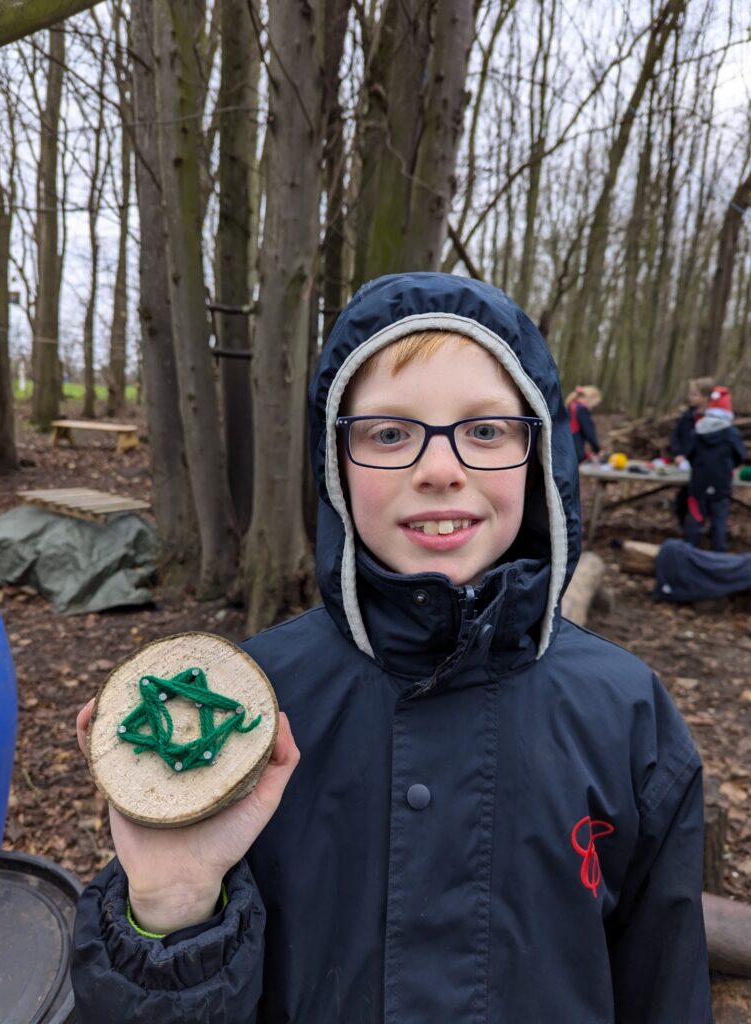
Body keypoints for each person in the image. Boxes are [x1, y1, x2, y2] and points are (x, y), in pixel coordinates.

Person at [71, 274, 711, 1023]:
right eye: (388, 433)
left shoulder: (625, 714)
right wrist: (170, 907)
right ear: (334, 463)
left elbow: (665, 990)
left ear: (538, 453)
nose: (439, 467)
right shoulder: (249, 709)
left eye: (484, 430)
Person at [684, 385, 746, 552]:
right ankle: (718, 557)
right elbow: (740, 455)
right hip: (721, 483)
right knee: (719, 522)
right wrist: (727, 467)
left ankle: (689, 553)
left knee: (695, 519)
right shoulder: (732, 433)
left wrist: (698, 466)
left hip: (699, 483)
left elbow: (689, 453)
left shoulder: (697, 430)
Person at [670, 377, 714, 527]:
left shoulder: (714, 419)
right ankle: (684, 526)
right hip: (684, 465)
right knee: (682, 500)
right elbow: (676, 436)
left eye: (694, 394)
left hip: (704, 468)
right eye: (690, 394)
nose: (690, 397)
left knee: (701, 502)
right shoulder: (687, 416)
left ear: (705, 397)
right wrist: (678, 454)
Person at [565, 384, 602, 463]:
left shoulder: (570, 406)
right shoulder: (581, 409)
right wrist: (597, 450)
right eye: (594, 405)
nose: (592, 408)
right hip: (575, 453)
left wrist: (586, 454)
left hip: (565, 449)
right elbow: (589, 432)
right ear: (590, 399)